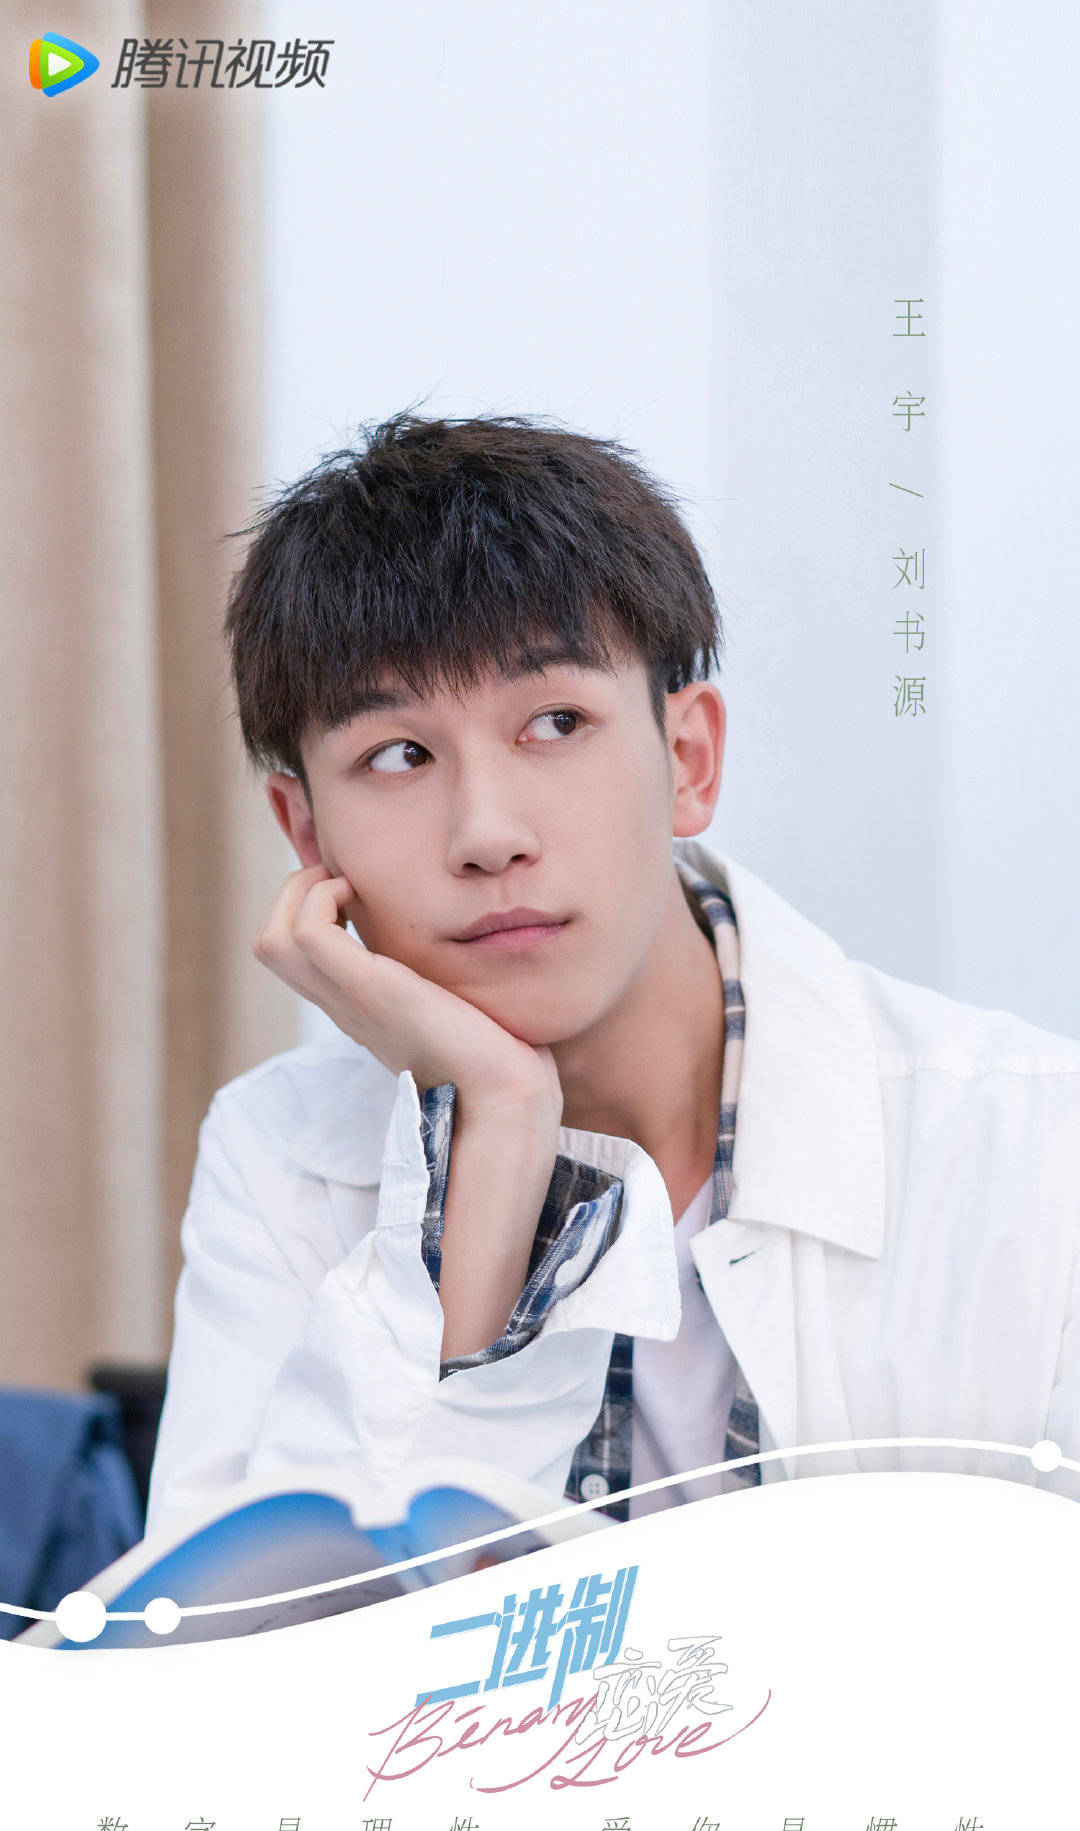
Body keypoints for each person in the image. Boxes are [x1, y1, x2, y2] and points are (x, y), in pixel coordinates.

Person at [144, 413, 1080, 1539]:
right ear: (306, 833)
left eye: (556, 722)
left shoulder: (1032, 1147)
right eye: (398, 755)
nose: (487, 834)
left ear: (688, 761)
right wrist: (497, 1130)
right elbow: (252, 1643)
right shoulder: (280, 1158)